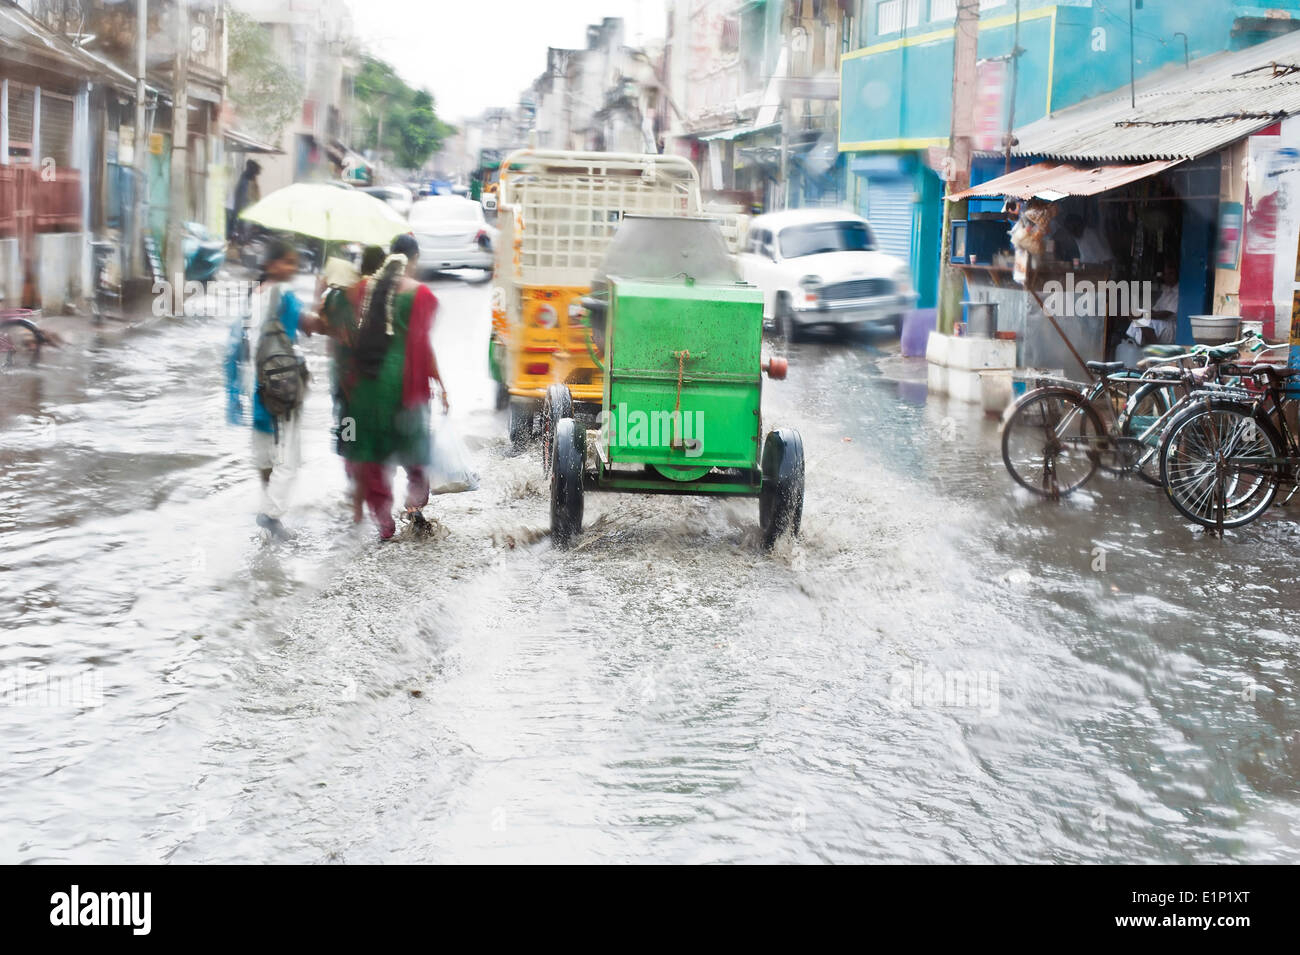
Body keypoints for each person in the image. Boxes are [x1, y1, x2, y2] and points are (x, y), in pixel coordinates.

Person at [342, 234, 449, 540]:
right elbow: (422, 347)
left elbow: (346, 338)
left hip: (365, 386)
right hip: (403, 385)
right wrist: (441, 385)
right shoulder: (421, 295)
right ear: (413, 260)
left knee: (373, 455)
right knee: (414, 449)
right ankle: (414, 508)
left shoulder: (362, 289)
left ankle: (384, 525)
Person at [227, 238, 323, 539]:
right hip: (283, 384)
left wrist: (232, 392)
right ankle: (270, 514)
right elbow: (311, 325)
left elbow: (235, 344)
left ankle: (269, 506)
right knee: (289, 457)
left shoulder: (252, 295)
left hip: (256, 384)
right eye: (287, 262)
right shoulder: (284, 294)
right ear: (272, 265)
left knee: (264, 452)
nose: (292, 268)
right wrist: (321, 294)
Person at [318, 245, 386, 521]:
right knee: (366, 436)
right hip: (365, 381)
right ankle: (362, 500)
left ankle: (352, 480)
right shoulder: (377, 295)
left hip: (341, 378)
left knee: (348, 430)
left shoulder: (339, 295)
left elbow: (322, 322)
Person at [230, 159, 262, 243]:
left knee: (246, 229)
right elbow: (240, 196)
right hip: (244, 209)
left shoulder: (251, 179)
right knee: (243, 228)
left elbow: (255, 195)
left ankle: (243, 241)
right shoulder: (245, 179)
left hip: (248, 208)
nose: (256, 174)